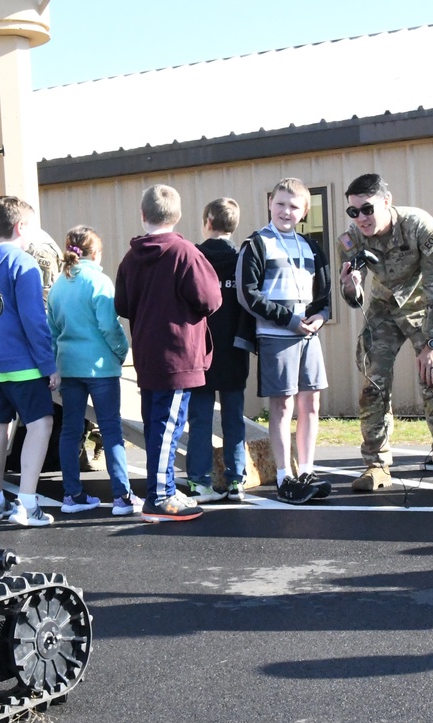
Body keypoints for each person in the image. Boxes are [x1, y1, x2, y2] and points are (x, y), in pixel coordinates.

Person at [339, 173, 433, 494]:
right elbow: (353, 295)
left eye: (367, 209)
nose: (361, 219)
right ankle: (377, 466)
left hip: (423, 305)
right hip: (383, 308)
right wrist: (349, 286)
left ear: (386, 201)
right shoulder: (354, 237)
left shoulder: (419, 226)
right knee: (373, 384)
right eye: (353, 212)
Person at [114, 184, 222, 522]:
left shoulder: (131, 258)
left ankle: (165, 488)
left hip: (148, 353)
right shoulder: (185, 252)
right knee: (168, 426)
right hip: (178, 355)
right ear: (176, 216)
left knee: (156, 426)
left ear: (143, 215)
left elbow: (122, 305)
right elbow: (210, 300)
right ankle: (159, 495)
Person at [236, 178, 332, 505]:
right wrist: (290, 320)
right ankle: (283, 475)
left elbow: (323, 294)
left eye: (293, 206)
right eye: (280, 204)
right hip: (277, 336)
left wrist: (321, 316)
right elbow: (248, 295)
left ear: (304, 210)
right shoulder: (257, 244)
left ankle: (306, 470)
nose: (285, 211)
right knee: (284, 405)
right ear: (269, 204)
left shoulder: (311, 246)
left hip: (309, 336)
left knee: (311, 403)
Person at [47, 225, 142, 516]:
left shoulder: (58, 285)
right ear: (96, 252)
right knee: (111, 429)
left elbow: (52, 330)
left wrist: (54, 365)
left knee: (71, 430)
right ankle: (121, 497)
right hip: (100, 367)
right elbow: (109, 326)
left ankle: (72, 494)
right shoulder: (98, 281)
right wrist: (123, 351)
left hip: (69, 365)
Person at [0, 196, 58, 527]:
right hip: (23, 364)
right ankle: (27, 504)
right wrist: (49, 364)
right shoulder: (23, 264)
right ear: (20, 226)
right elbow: (34, 319)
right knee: (41, 425)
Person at [184, 197, 256, 504]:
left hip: (199, 351)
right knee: (233, 418)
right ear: (234, 224)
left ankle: (199, 481)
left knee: (199, 419)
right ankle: (235, 480)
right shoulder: (242, 259)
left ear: (207, 222)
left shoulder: (193, 258)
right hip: (234, 349)